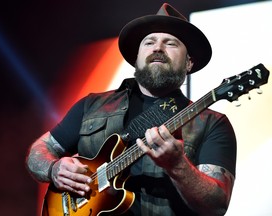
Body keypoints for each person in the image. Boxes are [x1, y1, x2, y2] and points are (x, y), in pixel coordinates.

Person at [26, 3, 237, 216]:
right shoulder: (91, 105)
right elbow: (39, 151)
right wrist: (54, 170)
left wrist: (178, 165)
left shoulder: (212, 123)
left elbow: (216, 205)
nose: (158, 48)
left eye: (170, 43)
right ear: (136, 58)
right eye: (149, 42)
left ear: (189, 63)